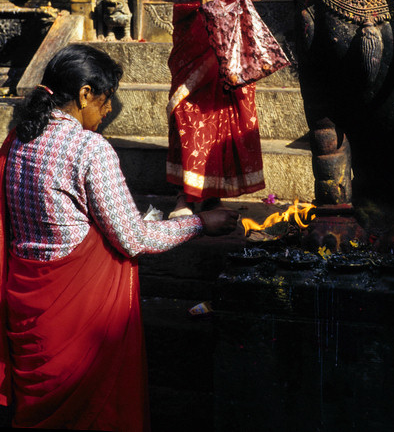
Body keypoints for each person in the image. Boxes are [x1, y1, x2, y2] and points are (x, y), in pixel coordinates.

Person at [0, 43, 238, 431]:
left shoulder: (17, 141)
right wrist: (201, 223)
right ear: (83, 95)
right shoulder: (88, 148)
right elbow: (134, 239)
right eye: (106, 99)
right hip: (79, 315)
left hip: (28, 309)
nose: (108, 111)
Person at [158, 0, 275, 218]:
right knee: (188, 111)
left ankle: (214, 193)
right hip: (194, 37)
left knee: (226, 116)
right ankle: (186, 194)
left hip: (234, 38)